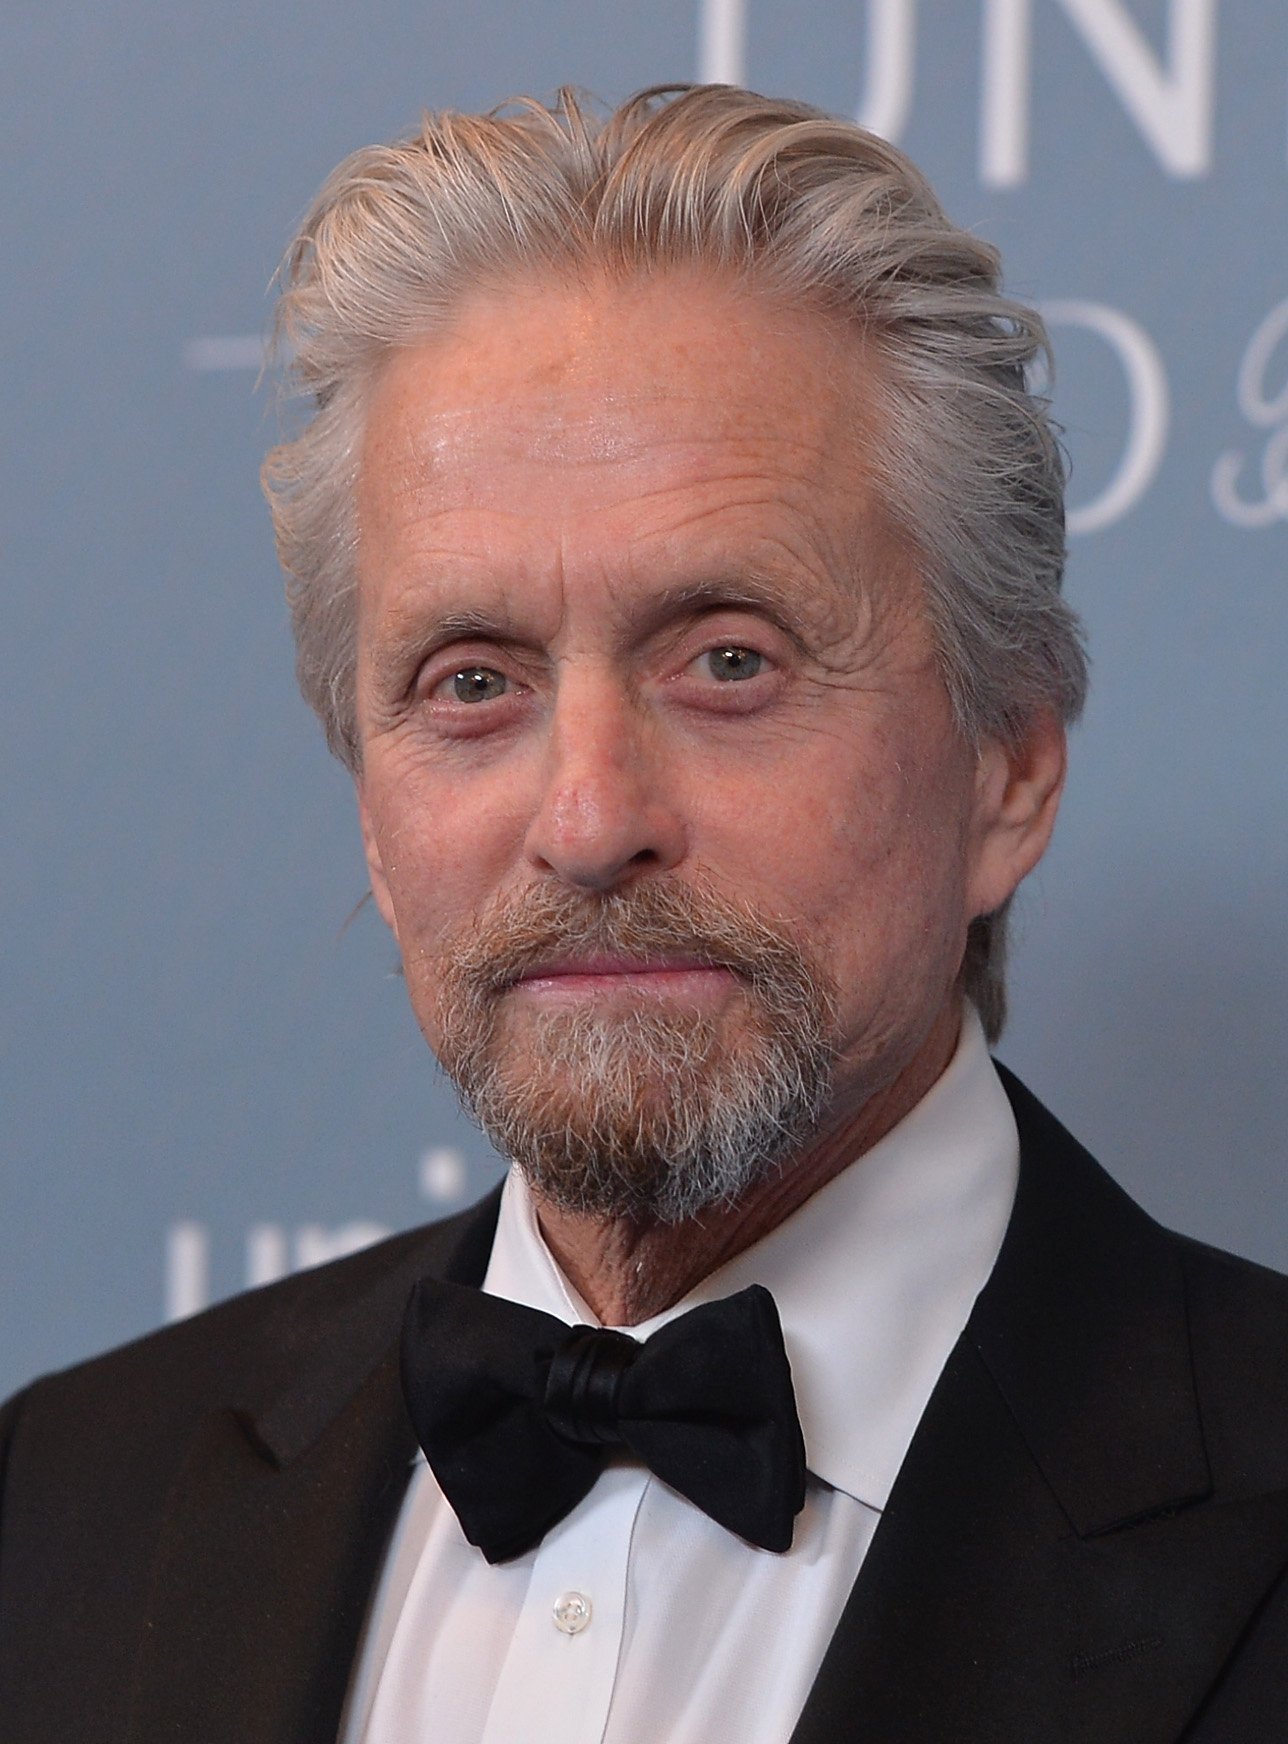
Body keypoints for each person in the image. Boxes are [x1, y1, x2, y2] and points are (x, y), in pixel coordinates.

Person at [2, 83, 1287, 1744]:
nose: (592, 819)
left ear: (1008, 770)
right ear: (375, 821)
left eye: (730, 660)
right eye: (472, 682)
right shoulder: (66, 1505)